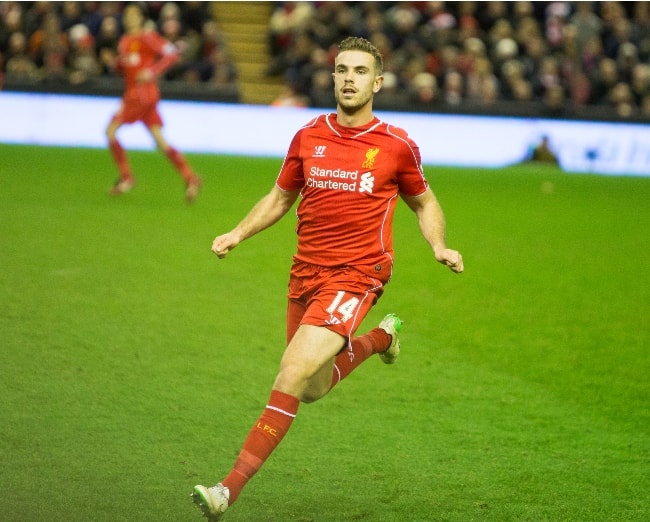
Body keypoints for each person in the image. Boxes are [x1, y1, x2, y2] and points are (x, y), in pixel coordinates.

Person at [192, 36, 464, 520]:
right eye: (342, 70)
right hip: (306, 274)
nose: (348, 79)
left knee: (291, 372)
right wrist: (238, 232)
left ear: (377, 82)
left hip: (358, 275)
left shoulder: (396, 145)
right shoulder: (308, 136)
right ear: (332, 76)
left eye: (360, 71)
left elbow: (424, 201)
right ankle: (382, 339)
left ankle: (226, 490)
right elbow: (279, 197)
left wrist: (438, 245)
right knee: (313, 388)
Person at [106, 3, 201, 203]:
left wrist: (152, 72)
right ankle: (190, 178)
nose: (129, 18)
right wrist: (115, 64)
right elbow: (127, 68)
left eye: (134, 15)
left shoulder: (146, 37)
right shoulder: (124, 41)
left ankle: (126, 177)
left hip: (140, 95)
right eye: (127, 15)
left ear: (141, 18)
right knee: (159, 140)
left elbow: (172, 53)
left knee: (111, 131)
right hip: (136, 94)